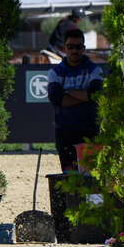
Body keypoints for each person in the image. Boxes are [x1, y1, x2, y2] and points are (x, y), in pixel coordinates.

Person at [47, 28, 104, 172]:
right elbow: (57, 99)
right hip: (64, 132)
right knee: (69, 176)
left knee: (90, 175)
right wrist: (85, 97)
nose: (74, 51)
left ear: (83, 48)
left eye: (78, 47)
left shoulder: (94, 70)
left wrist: (67, 92)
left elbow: (95, 94)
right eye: (70, 47)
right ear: (64, 48)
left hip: (90, 130)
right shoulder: (55, 72)